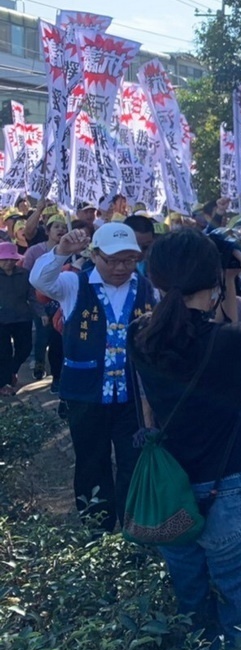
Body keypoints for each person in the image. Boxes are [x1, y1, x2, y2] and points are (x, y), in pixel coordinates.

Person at [130, 228, 241, 650]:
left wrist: (220, 284)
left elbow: (210, 331)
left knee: (195, 610)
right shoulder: (231, 344)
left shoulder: (140, 336)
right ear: (208, 277)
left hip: (173, 493)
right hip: (236, 493)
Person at [31, 222, 156, 532]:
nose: (120, 267)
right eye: (112, 260)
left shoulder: (146, 288)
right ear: (95, 255)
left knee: (132, 462)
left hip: (132, 398)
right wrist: (61, 252)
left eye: (128, 260)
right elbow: (39, 279)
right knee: (91, 461)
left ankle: (131, 531)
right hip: (86, 393)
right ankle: (97, 528)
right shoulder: (75, 285)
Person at [23, 214, 68, 382]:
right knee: (42, 336)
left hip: (62, 302)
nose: (61, 230)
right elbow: (27, 277)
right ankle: (39, 364)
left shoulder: (72, 252)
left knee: (59, 339)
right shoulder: (35, 251)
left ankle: (59, 374)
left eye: (63, 227)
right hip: (39, 301)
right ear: (48, 231)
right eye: (56, 226)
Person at [0, 242, 35, 395]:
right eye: (4, 259)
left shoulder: (24, 273)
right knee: (3, 352)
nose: (8, 262)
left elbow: (32, 296)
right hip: (1, 319)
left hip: (22, 317)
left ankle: (12, 371)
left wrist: (42, 313)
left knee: (25, 348)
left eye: (11, 259)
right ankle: (5, 382)